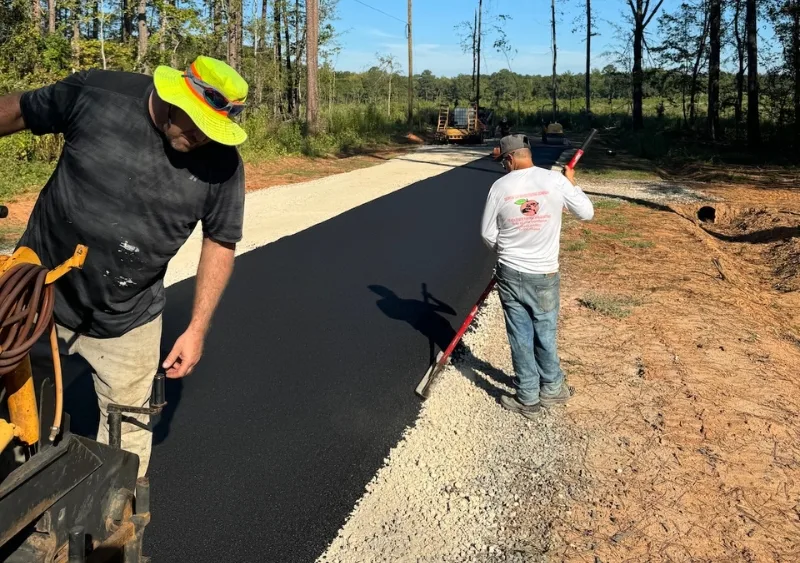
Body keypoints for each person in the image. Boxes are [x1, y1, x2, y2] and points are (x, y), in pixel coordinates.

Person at [0, 55, 248, 476]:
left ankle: (115, 514)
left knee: (128, 432)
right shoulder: (97, 95)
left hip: (128, 316)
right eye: (195, 124)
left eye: (213, 130)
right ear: (173, 96)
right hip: (35, 296)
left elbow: (220, 241)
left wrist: (196, 329)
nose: (202, 138)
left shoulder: (223, 165)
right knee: (22, 413)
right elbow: (21, 111)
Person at [481, 134, 594, 419]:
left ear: (510, 158)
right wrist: (571, 182)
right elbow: (586, 213)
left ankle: (528, 397)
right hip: (545, 273)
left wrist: (507, 253)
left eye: (503, 162)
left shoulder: (499, 187)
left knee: (520, 334)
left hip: (510, 272)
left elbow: (487, 233)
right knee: (545, 332)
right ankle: (553, 388)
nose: (503, 167)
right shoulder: (555, 181)